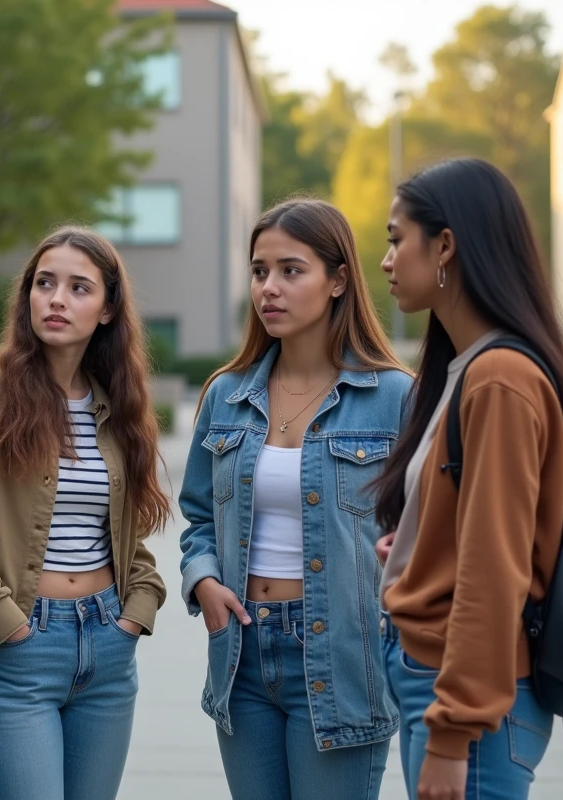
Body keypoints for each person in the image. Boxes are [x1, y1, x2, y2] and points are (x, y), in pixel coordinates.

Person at [372, 158, 563, 800]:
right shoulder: (467, 369)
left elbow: (494, 568)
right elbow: (476, 530)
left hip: (467, 702)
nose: (386, 261)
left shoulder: (500, 378)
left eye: (395, 238)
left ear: (444, 245)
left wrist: (453, 732)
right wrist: (418, 551)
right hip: (433, 674)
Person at [179, 198, 412, 800]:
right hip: (243, 654)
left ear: (338, 281)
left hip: (341, 657)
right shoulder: (226, 396)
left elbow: (426, 533)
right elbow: (200, 516)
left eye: (291, 270)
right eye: (259, 272)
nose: (269, 289)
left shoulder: (394, 397)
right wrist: (203, 580)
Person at [0, 226, 169, 800]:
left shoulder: (120, 407)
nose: (57, 299)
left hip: (108, 648)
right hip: (22, 648)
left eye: (78, 287)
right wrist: (5, 622)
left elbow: (130, 539)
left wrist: (134, 614)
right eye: (44, 283)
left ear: (109, 308)